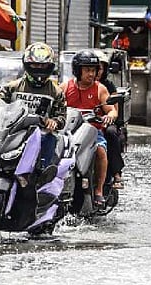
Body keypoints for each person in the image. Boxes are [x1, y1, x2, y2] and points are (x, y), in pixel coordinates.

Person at [0, 42, 66, 169]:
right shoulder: (13, 86)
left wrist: (53, 122)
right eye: (35, 64)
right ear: (27, 65)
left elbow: (61, 117)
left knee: (51, 140)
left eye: (43, 65)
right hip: (14, 133)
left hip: (40, 134)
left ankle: (43, 174)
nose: (39, 68)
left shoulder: (56, 92)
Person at [59, 49, 118, 207]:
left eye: (93, 70)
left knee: (100, 151)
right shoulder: (65, 87)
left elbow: (112, 109)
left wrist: (110, 115)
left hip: (92, 131)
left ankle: (98, 190)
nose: (91, 74)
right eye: (87, 70)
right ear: (78, 71)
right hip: (68, 131)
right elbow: (55, 104)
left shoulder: (100, 89)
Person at [94, 49, 125, 189]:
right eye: (89, 69)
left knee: (111, 133)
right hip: (82, 123)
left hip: (103, 123)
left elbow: (114, 110)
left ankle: (116, 172)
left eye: (99, 68)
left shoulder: (107, 86)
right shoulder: (72, 85)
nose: (95, 72)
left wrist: (108, 117)